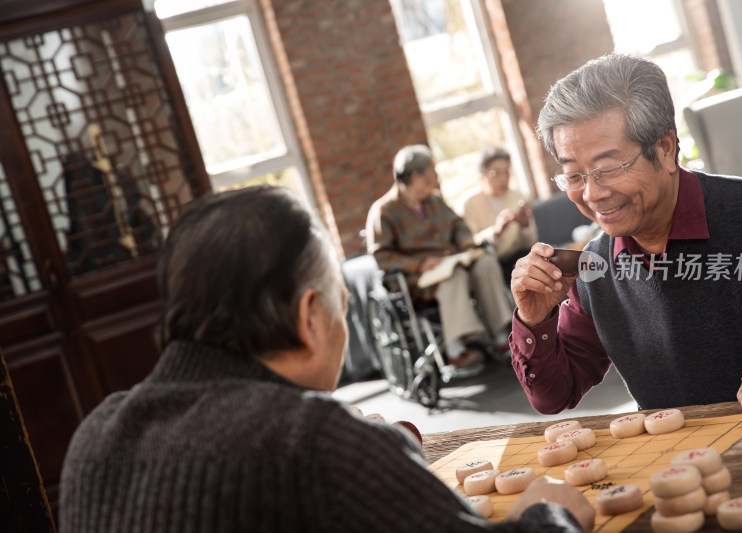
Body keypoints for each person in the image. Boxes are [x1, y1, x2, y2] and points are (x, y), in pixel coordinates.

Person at [58, 185, 595, 533]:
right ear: (310, 316)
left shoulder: (94, 435)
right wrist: (549, 516)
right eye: (341, 302)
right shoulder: (313, 440)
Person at [510, 53, 742, 414]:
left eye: (608, 168)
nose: (592, 194)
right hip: (674, 465)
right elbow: (554, 395)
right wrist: (533, 319)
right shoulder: (595, 268)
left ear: (664, 149)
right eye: (573, 175)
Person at [366, 145, 513, 367]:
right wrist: (420, 264)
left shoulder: (434, 200)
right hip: (418, 279)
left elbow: (458, 226)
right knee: (453, 277)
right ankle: (456, 349)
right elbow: (382, 257)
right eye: (431, 172)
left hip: (452, 263)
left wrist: (466, 245)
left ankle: (501, 335)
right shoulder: (383, 211)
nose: (435, 177)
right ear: (416, 176)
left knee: (485, 262)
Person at [458, 147, 538, 283]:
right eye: (495, 173)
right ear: (482, 176)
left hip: (517, 259)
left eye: (506, 172)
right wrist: (495, 231)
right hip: (488, 263)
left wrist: (525, 226)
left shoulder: (519, 197)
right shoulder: (469, 204)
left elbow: (530, 243)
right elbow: (468, 244)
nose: (503, 179)